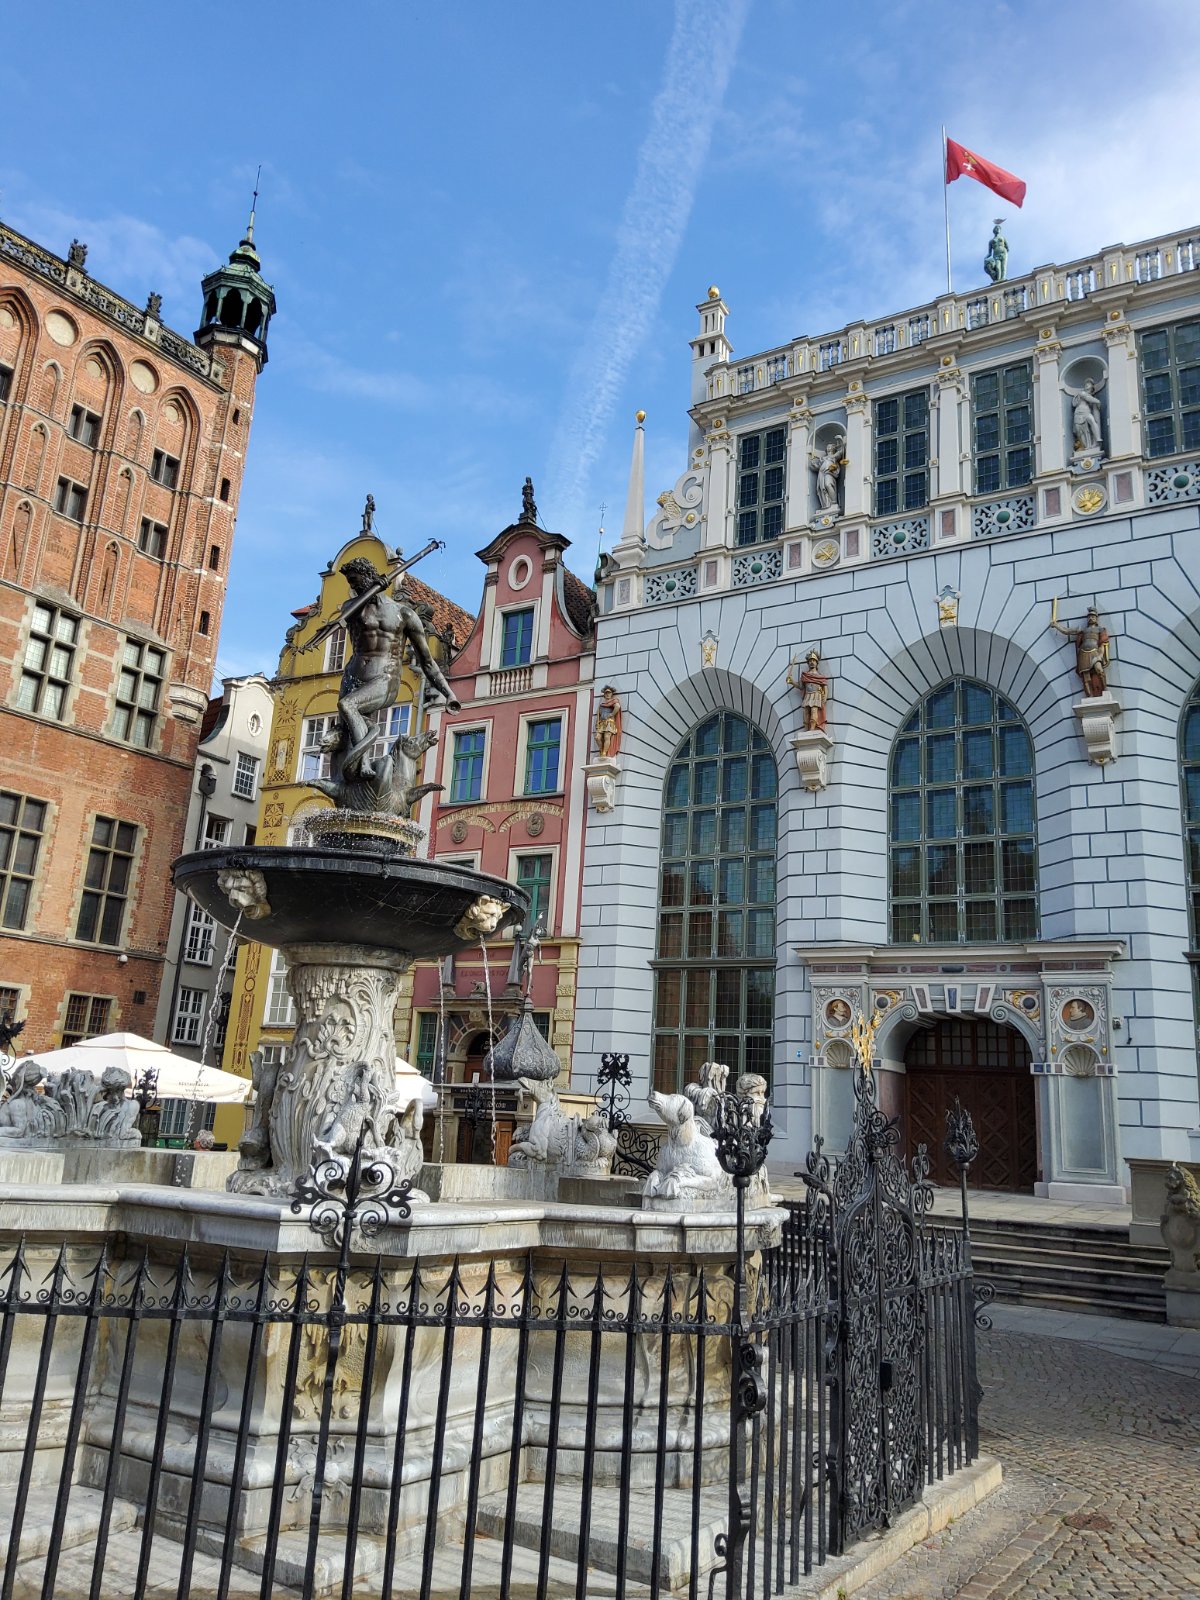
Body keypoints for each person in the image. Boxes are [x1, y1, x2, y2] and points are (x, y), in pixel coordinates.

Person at [331, 557, 460, 773]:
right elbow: (347, 616)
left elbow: (427, 661)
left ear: (368, 576)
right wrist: (370, 593)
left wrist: (449, 694)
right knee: (344, 734)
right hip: (352, 677)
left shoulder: (404, 614)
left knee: (348, 706)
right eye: (350, 582)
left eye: (354, 580)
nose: (352, 587)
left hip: (385, 678)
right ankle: (348, 778)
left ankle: (363, 763)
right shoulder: (351, 608)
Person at [1050, 604, 1109, 698]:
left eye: (1093, 616)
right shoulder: (1083, 630)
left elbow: (1102, 644)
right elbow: (1067, 631)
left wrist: (1100, 655)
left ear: (1096, 618)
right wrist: (1056, 625)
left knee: (1099, 670)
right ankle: (1089, 696)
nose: (1091, 618)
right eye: (1089, 617)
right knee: (1086, 677)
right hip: (1083, 653)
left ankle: (1105, 689)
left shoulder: (1100, 629)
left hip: (1094, 652)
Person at [787, 650, 831, 731]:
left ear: (817, 662)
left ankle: (812, 729)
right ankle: (806, 728)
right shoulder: (805, 675)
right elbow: (801, 686)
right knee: (806, 712)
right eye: (810, 660)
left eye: (814, 660)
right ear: (808, 663)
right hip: (808, 695)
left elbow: (825, 687)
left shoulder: (820, 676)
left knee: (814, 711)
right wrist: (792, 682)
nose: (812, 662)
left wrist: (824, 697)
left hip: (816, 695)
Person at [1063, 376, 1106, 454]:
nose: (1086, 385)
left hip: (1086, 412)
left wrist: (1095, 403)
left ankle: (1097, 439)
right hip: (1078, 413)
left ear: (1092, 387)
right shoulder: (1082, 393)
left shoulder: (1091, 396)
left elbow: (1091, 402)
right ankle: (1086, 447)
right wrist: (1097, 401)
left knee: (1092, 420)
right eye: (1086, 384)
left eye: (1089, 384)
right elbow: (1086, 399)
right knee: (1080, 431)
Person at [810, 438, 845, 512]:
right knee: (821, 489)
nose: (828, 447)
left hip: (829, 472)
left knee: (828, 485)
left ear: (833, 448)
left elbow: (842, 451)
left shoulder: (834, 456)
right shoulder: (823, 458)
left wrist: (840, 440)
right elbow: (817, 467)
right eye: (827, 446)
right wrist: (813, 464)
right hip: (821, 473)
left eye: (830, 446)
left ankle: (833, 503)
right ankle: (826, 505)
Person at [594, 685, 622, 758]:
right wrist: (597, 723)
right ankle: (601, 750)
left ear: (611, 694)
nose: (607, 694)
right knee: (597, 737)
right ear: (604, 694)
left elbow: (617, 706)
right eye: (606, 693)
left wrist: (612, 714)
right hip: (601, 723)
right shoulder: (602, 705)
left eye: (609, 693)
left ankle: (604, 752)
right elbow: (599, 715)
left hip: (609, 722)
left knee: (607, 736)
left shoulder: (613, 701)